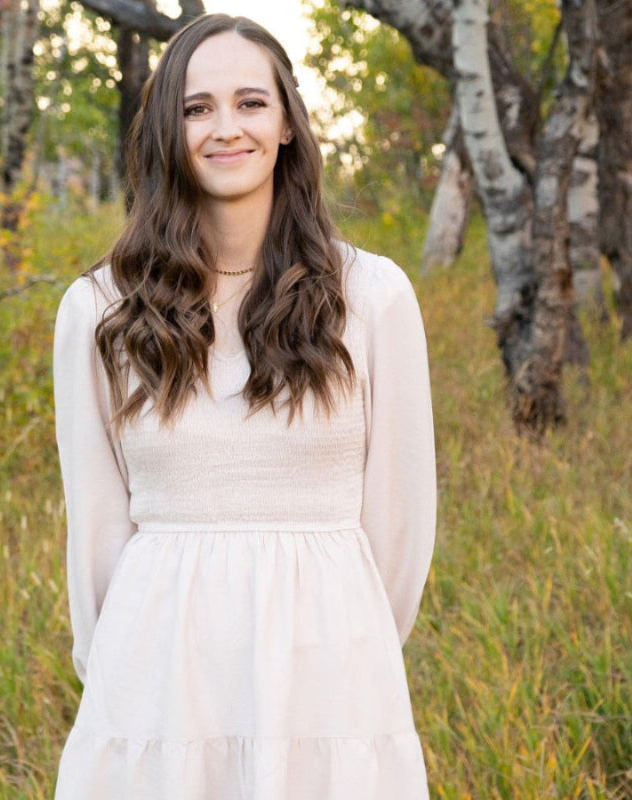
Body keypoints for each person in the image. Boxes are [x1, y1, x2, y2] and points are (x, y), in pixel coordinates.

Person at [52, 13, 435, 799]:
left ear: (289, 121)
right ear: (168, 129)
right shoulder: (99, 309)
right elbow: (96, 526)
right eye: (196, 108)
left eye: (251, 103)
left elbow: (398, 520)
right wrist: (117, 677)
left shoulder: (372, 296)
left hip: (328, 667)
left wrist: (350, 644)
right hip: (157, 672)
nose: (226, 128)